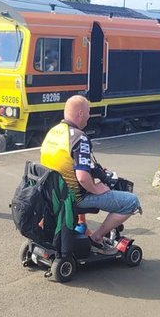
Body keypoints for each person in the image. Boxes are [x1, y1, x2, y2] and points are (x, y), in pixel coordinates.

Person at [39, 95, 141, 254]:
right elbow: (82, 177)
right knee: (131, 201)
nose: (89, 116)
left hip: (53, 194)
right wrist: (96, 188)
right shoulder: (79, 138)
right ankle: (97, 238)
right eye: (88, 112)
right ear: (80, 113)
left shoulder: (53, 132)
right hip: (75, 197)